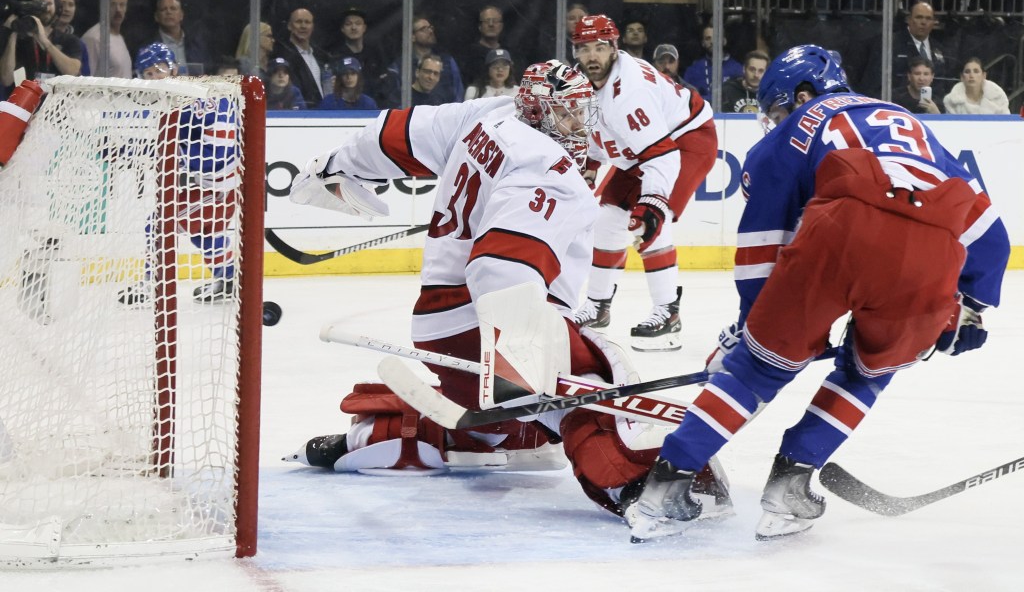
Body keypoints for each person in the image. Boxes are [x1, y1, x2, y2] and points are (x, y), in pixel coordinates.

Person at [283, 59, 731, 520]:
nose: (579, 125)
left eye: (581, 111)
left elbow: (396, 133)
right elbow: (500, 271)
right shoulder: (548, 170)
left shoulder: (489, 114)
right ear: (537, 112)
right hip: (482, 323)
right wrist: (519, 361)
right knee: (595, 383)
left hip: (439, 324)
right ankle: (633, 486)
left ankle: (400, 435)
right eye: (565, 113)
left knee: (530, 427)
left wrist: (333, 165)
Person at [627, 44, 1010, 542]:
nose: (776, 118)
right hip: (928, 250)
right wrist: (972, 308)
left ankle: (662, 490)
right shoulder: (907, 122)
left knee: (758, 369)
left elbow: (762, 245)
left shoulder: (794, 129)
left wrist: (752, 331)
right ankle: (791, 484)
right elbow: (990, 235)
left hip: (840, 226)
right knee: (871, 369)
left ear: (804, 93)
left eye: (779, 107)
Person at [570, 15, 717, 352]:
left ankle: (667, 312)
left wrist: (651, 202)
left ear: (614, 47)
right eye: (584, 49)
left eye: (600, 48)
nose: (592, 56)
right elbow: (596, 132)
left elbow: (662, 155)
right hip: (647, 148)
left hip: (687, 139)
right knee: (607, 219)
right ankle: (597, 305)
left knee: (649, 222)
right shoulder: (582, 82)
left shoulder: (629, 91)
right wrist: (590, 166)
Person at [119, 42, 243, 305]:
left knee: (160, 223)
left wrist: (176, 156)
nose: (153, 79)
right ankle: (229, 280)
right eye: (147, 74)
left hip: (223, 188)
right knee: (205, 234)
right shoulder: (174, 100)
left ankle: (152, 284)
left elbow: (219, 152)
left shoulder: (201, 100)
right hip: (213, 187)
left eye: (158, 71)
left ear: (174, 69)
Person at [859, 1, 952, 99]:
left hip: (931, 110)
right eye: (919, 17)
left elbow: (943, 84)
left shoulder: (939, 49)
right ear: (909, 19)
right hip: (897, 106)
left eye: (928, 18)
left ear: (934, 22)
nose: (923, 22)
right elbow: (874, 80)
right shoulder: (890, 44)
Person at [1, 0, 82, 89]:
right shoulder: (17, 40)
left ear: (57, 6)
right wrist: (13, 33)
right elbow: (6, 79)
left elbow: (72, 72)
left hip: (56, 104)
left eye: (49, 4)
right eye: (39, 4)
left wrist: (45, 42)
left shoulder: (69, 40)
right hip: (21, 104)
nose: (46, 9)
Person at [385, 15, 464, 106]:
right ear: (412, 37)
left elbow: (458, 94)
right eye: (423, 29)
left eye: (430, 28)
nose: (430, 31)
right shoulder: (400, 66)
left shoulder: (447, 62)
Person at [272, 7, 331, 107]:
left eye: (307, 22)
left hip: (324, 113)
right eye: (298, 22)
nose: (303, 26)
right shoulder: (283, 56)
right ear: (289, 26)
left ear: (312, 26)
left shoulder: (321, 56)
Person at [327, 7, 387, 106]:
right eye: (348, 24)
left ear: (364, 28)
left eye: (358, 23)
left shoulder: (375, 53)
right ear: (342, 29)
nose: (353, 27)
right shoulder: (335, 56)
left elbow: (384, 83)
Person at [149, 0, 210, 75]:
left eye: (173, 8)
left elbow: (209, 71)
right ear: (156, 16)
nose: (168, 12)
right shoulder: (148, 48)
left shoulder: (197, 45)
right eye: (163, 9)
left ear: (181, 15)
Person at [81, 0, 132, 79]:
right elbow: (86, 79)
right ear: (103, 7)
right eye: (113, 4)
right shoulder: (93, 37)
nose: (118, 10)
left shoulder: (120, 38)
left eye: (122, 5)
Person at [682, 24, 742, 103]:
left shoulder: (737, 69)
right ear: (703, 43)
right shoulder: (693, 70)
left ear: (724, 41)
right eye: (708, 38)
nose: (712, 42)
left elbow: (742, 97)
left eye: (716, 37)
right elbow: (686, 97)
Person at [942, 57, 1011, 114]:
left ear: (984, 75)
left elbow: (1007, 124)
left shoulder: (998, 97)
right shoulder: (952, 101)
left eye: (976, 71)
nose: (971, 75)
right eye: (967, 72)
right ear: (962, 77)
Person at [459, 5, 504, 85]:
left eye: (495, 21)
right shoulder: (467, 55)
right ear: (480, 26)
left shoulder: (512, 55)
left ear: (501, 26)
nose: (491, 24)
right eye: (487, 21)